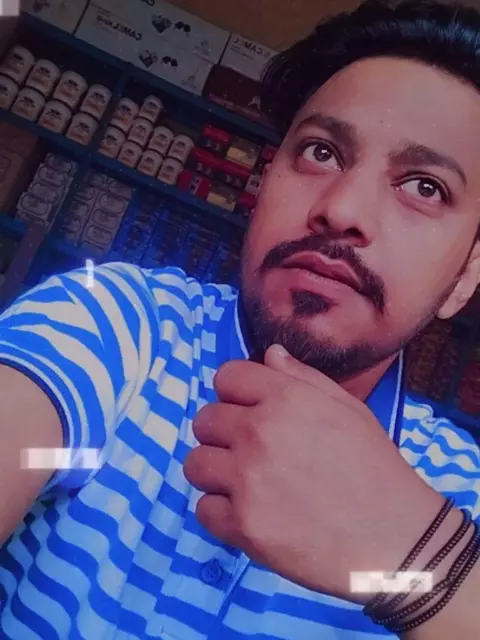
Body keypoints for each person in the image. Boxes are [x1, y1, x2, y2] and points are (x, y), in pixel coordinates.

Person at [0, 0, 479, 637]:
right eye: (321, 152)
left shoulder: (463, 493)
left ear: (466, 277)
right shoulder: (119, 321)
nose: (341, 210)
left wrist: (418, 561)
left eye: (424, 187)